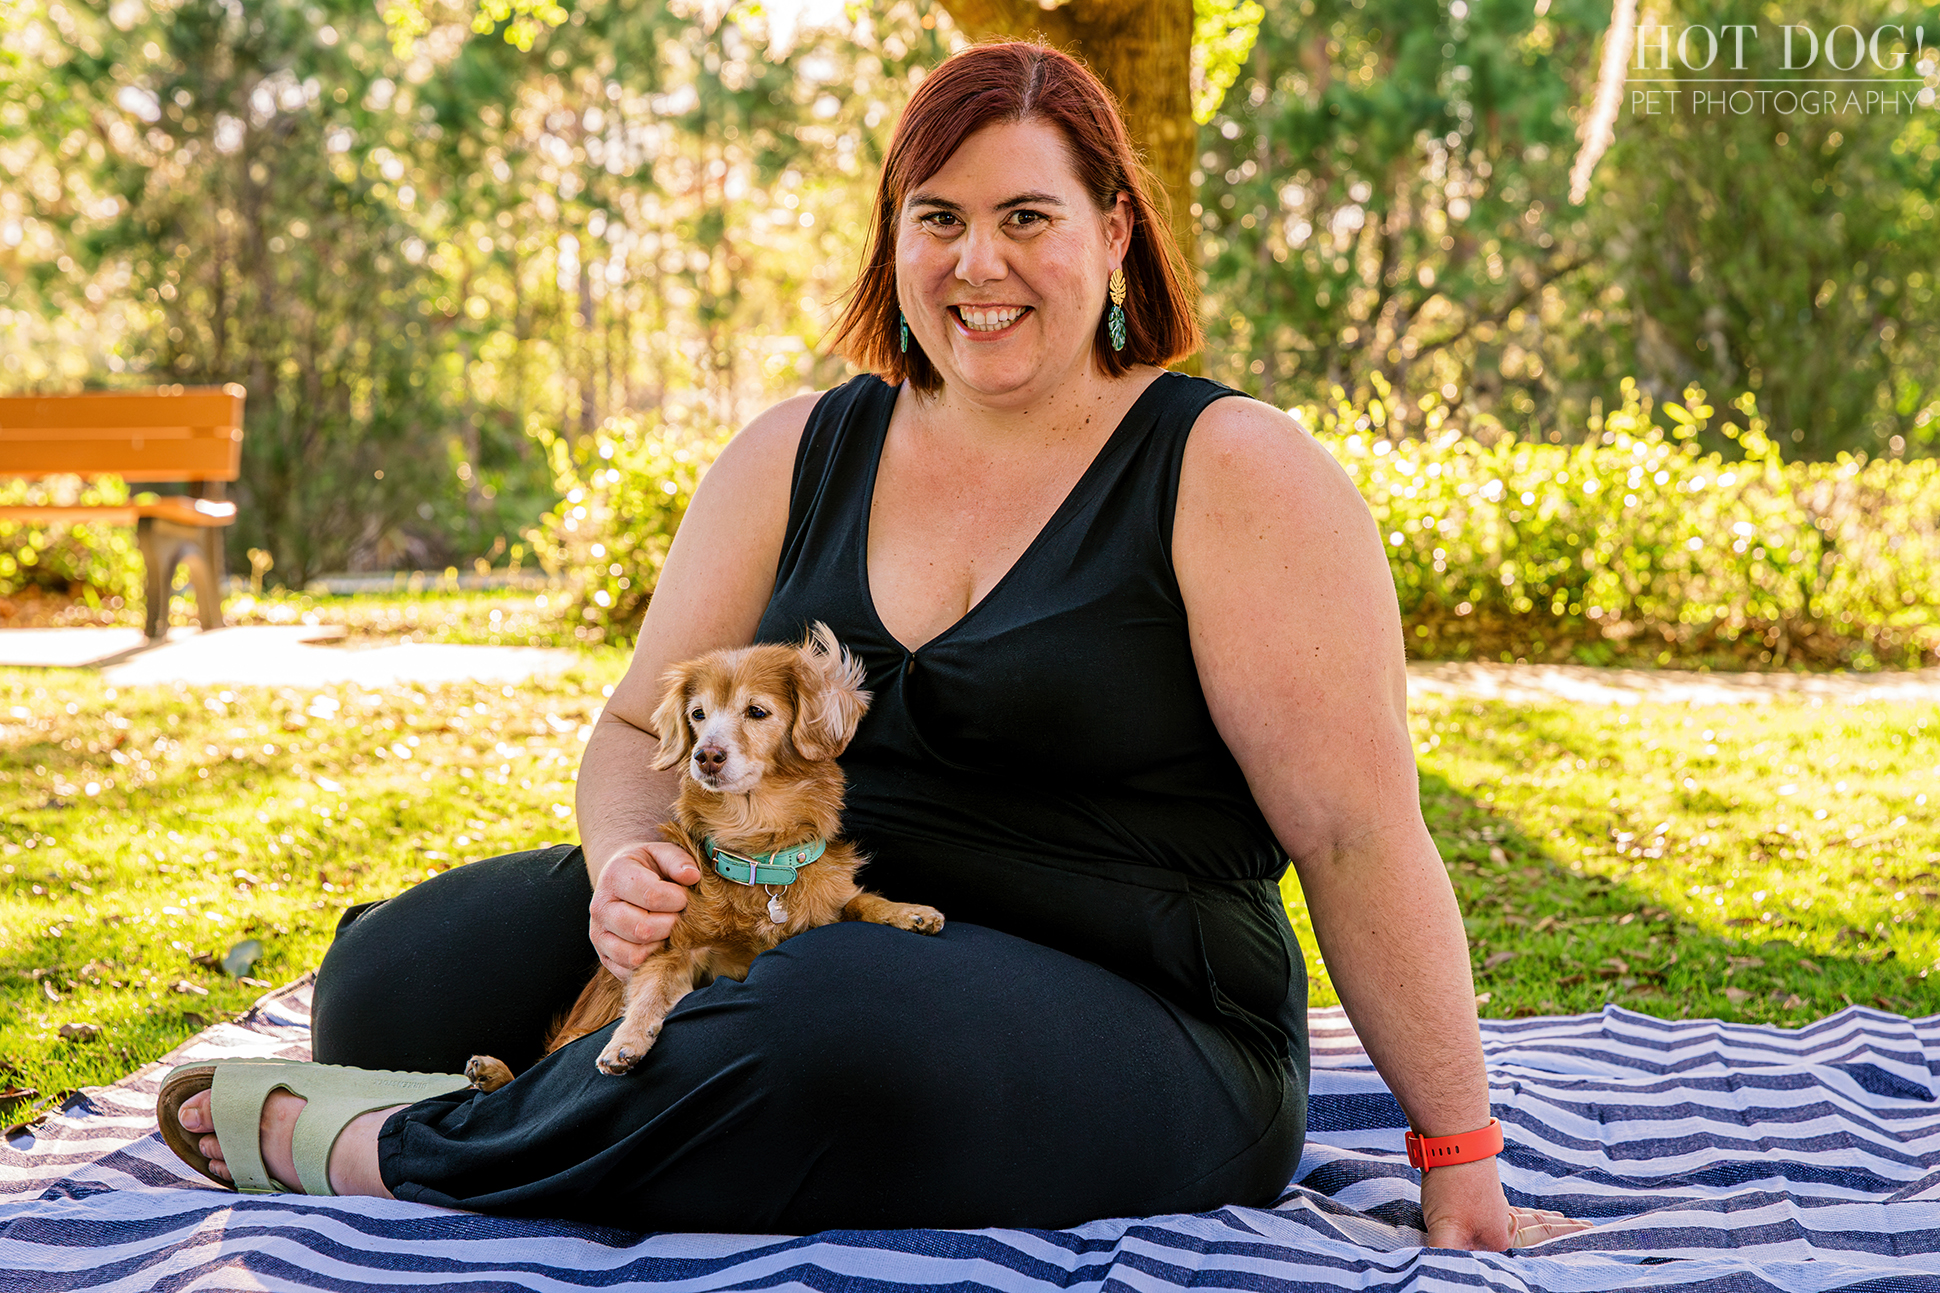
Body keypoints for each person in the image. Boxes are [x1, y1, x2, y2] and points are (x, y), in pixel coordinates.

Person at [165, 40, 1585, 1249]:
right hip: (800, 905)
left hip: (1143, 1018)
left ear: (1116, 236)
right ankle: (540, 1098)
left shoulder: (1233, 470)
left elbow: (1353, 834)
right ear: (893, 238)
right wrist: (628, 870)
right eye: (939, 216)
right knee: (392, 981)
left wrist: (1458, 1155)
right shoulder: (800, 447)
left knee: (812, 1026)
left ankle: (393, 1153)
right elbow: (628, 734)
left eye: (1030, 216)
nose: (981, 263)